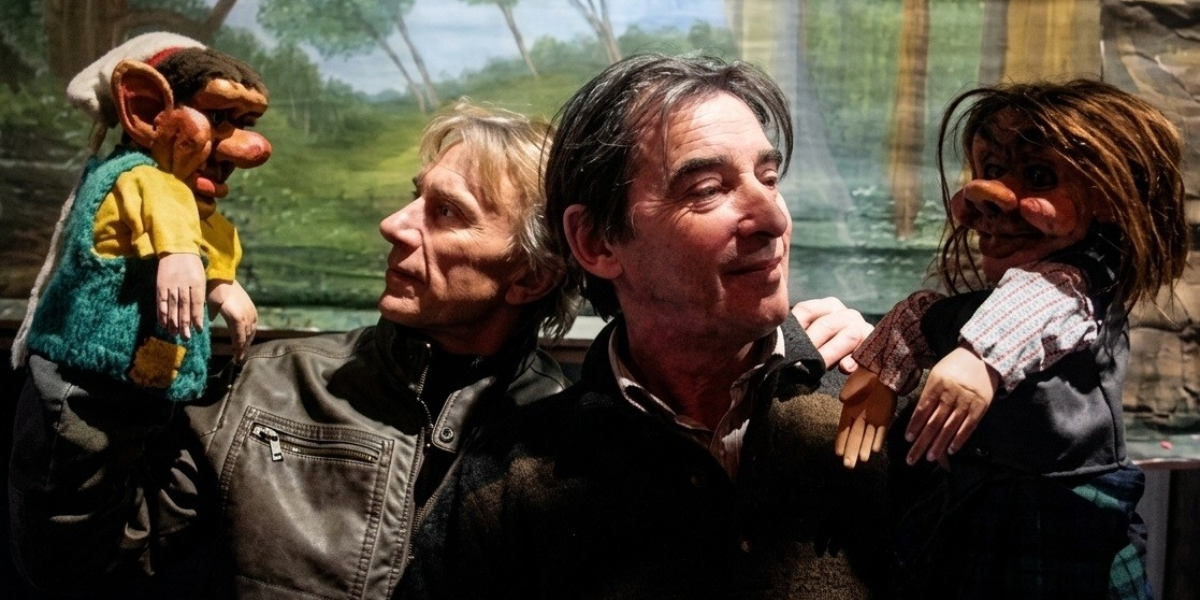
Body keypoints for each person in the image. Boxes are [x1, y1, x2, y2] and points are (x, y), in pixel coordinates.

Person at [8, 83, 869, 599]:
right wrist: (97, 355)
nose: (394, 224)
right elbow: (78, 565)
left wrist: (889, 351)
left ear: (532, 273)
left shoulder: (569, 438)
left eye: (445, 212)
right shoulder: (269, 386)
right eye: (414, 195)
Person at [400, 54, 891, 600]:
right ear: (596, 242)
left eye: (769, 178)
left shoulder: (881, 401)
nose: (774, 219)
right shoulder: (510, 478)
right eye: (707, 189)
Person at [836, 80, 1189, 599]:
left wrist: (980, 356)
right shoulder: (989, 301)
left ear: (1108, 199)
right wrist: (882, 370)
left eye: (1038, 176)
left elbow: (1045, 300)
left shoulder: (1078, 285)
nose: (988, 197)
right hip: (978, 512)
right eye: (990, 170)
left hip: (1062, 525)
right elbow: (927, 315)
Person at [11, 32, 269, 401]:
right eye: (217, 117)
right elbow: (164, 201)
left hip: (142, 386)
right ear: (147, 112)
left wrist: (220, 280)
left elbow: (206, 229)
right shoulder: (133, 177)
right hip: (83, 387)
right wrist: (180, 252)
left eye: (245, 123)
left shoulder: (188, 201)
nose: (248, 149)